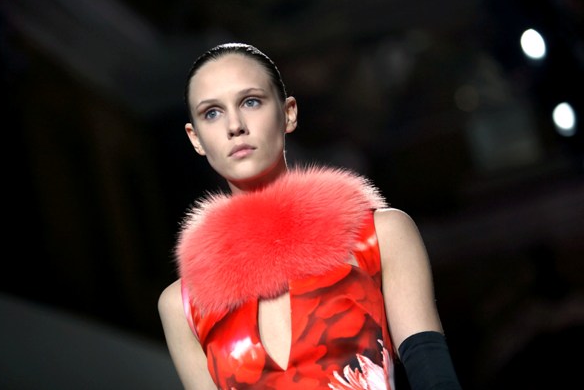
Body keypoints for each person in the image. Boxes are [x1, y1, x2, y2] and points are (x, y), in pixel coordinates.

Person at [158, 42, 462, 390]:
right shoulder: (182, 307)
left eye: (251, 102)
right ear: (195, 138)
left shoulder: (380, 236)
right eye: (212, 112)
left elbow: (434, 378)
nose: (235, 125)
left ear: (288, 113)